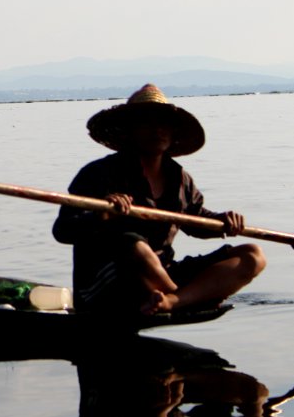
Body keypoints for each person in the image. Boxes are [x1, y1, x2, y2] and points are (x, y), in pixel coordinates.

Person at [52, 84, 266, 315]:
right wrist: (102, 214)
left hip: (162, 275)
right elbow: (63, 230)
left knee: (252, 255)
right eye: (147, 123)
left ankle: (173, 301)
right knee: (132, 244)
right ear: (130, 130)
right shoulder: (98, 173)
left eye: (164, 124)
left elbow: (196, 220)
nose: (158, 130)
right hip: (107, 284)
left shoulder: (179, 178)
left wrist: (223, 221)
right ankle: (187, 298)